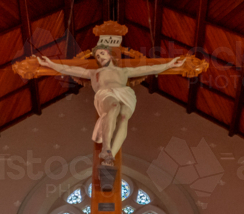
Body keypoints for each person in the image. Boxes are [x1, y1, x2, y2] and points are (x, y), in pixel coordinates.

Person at [37, 48, 184, 167]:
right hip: (106, 94)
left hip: (125, 94)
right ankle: (106, 148)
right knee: (113, 107)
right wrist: (51, 64)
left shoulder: (124, 71)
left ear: (109, 55)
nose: (99, 57)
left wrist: (169, 65)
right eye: (97, 56)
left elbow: (148, 69)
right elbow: (69, 69)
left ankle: (110, 157)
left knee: (124, 117)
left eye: (102, 53)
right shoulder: (94, 72)